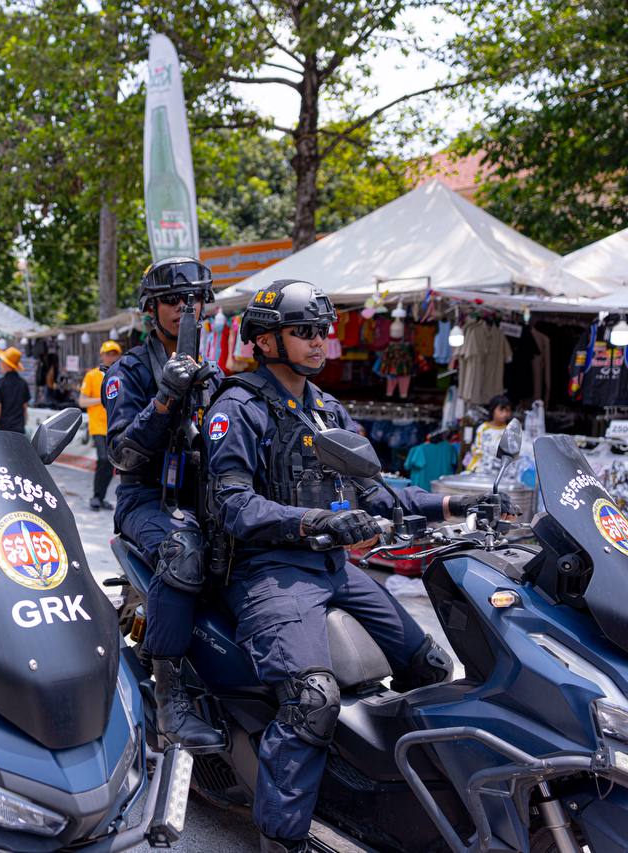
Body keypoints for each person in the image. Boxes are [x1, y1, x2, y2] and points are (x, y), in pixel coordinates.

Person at [205, 279, 504, 853]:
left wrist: (456, 503)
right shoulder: (238, 408)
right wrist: (314, 521)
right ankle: (282, 838)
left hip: (334, 569)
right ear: (266, 341)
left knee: (431, 666)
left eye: (323, 330)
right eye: (305, 332)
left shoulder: (327, 410)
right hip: (270, 572)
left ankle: (389, 798)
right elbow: (234, 505)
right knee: (311, 699)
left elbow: (377, 491)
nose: (320, 342)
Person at [104, 258, 226, 751]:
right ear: (151, 309)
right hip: (146, 501)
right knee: (184, 551)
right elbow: (122, 455)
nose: (184, 308)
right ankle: (170, 699)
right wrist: (165, 397)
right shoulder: (129, 370)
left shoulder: (215, 375)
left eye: (193, 299)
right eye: (172, 300)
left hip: (205, 501)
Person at [79, 340, 121, 510]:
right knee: (103, 459)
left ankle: (101, 497)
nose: (111, 357)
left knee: (111, 463)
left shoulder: (121, 375)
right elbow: (82, 401)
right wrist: (103, 398)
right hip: (98, 426)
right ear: (102, 355)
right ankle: (96, 496)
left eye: (114, 354)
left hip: (115, 425)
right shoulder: (92, 375)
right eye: (108, 354)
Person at [464, 393, 513, 474]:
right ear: (493, 410)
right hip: (481, 468)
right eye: (501, 410)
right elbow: (477, 450)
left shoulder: (510, 431)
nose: (504, 414)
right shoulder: (483, 429)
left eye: (507, 411)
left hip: (502, 470)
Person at [0, 346, 29, 432]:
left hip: (3, 429)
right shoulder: (23, 384)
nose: (0, 363)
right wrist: (24, 424)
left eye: (2, 361)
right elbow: (25, 407)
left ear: (6, 364)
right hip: (19, 428)